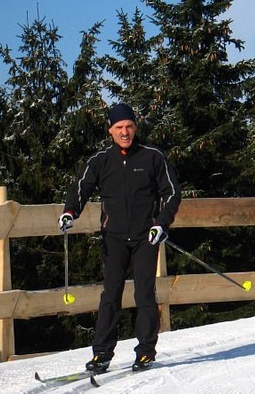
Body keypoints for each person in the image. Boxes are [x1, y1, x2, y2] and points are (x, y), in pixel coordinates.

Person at [58, 103, 182, 373]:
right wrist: (70, 212)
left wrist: (161, 224)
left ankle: (145, 352)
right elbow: (81, 188)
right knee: (111, 294)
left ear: (135, 127)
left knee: (144, 293)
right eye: (119, 127)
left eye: (129, 126)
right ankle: (102, 354)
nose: (124, 132)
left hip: (146, 237)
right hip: (113, 238)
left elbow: (172, 193)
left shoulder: (152, 156)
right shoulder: (101, 160)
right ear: (110, 130)